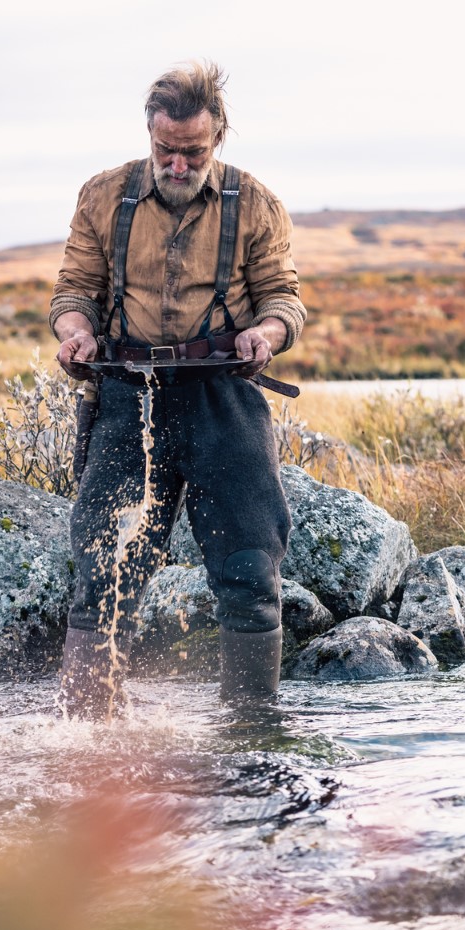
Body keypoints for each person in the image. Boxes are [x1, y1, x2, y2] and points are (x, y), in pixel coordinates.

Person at [50, 60, 306, 719]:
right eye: (166, 149)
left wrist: (267, 334)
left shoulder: (256, 204)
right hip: (127, 399)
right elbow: (73, 290)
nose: (179, 163)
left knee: (250, 572)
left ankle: (251, 732)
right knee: (103, 571)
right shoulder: (102, 196)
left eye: (193, 151)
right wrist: (75, 331)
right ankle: (88, 735)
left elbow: (283, 298)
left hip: (225, 399)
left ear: (217, 138)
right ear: (150, 134)